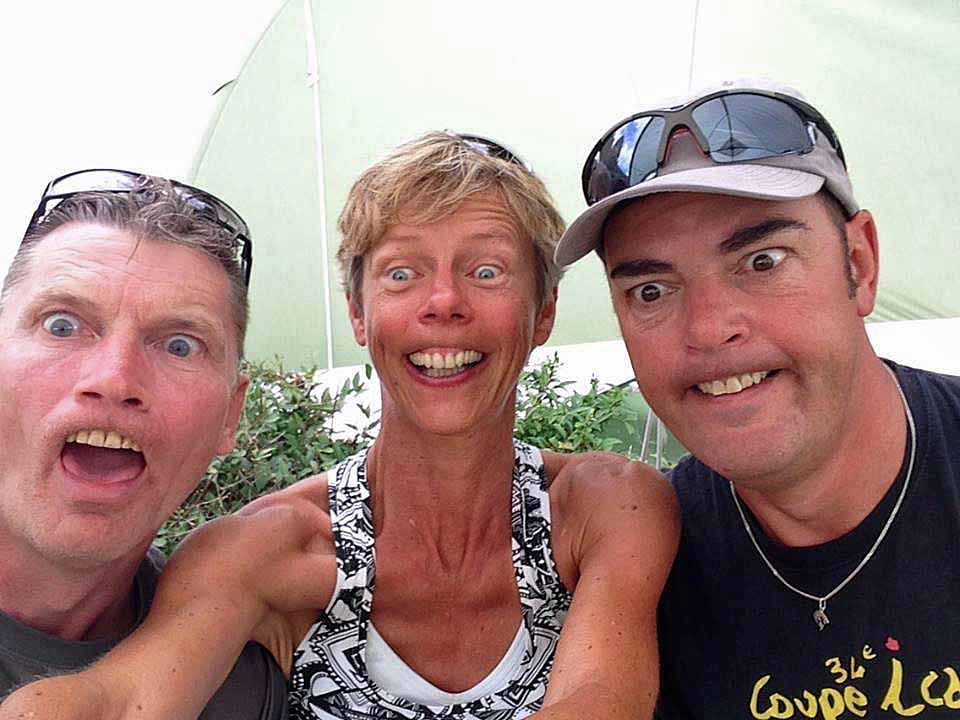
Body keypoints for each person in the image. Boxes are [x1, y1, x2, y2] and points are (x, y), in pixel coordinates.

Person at [1, 133, 678, 720]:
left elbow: (599, 701)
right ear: (358, 313)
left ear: (543, 312)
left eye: (486, 270)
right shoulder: (265, 550)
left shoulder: (603, 507)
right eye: (402, 273)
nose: (444, 301)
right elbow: (122, 699)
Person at [554, 77, 960, 718]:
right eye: (651, 291)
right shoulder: (648, 561)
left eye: (763, 261)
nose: (709, 328)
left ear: (859, 263)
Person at [0, 170, 286, 718]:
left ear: (230, 415)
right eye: (62, 326)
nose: (115, 378)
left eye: (180, 345)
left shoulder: (239, 682)